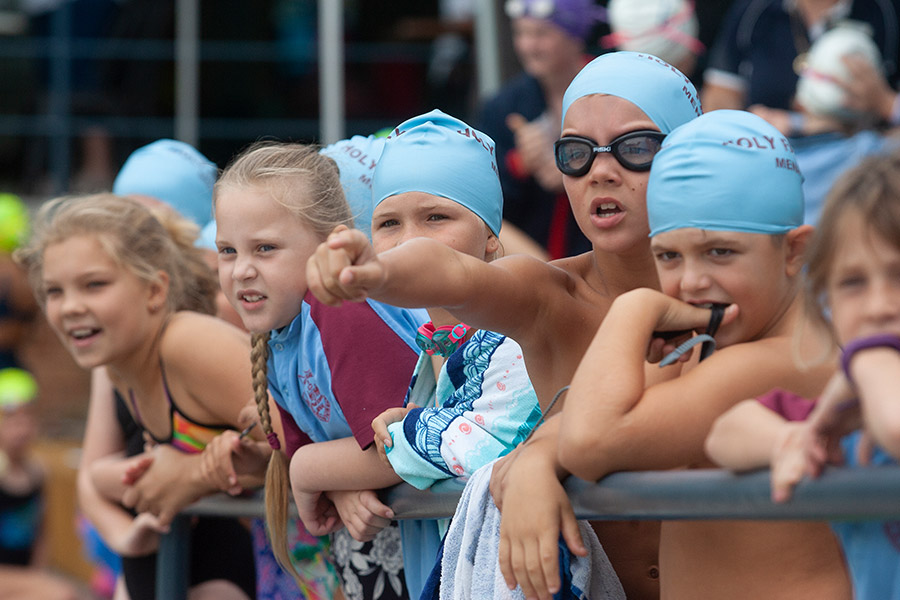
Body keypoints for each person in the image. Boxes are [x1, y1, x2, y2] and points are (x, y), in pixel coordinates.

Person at [306, 51, 702, 600]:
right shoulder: (549, 297)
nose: (601, 171)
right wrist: (375, 270)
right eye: (576, 153)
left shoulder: (741, 304)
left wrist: (541, 455)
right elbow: (454, 275)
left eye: (635, 148)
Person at [544, 109, 849, 600]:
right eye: (668, 256)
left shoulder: (784, 359)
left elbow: (587, 442)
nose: (691, 282)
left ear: (795, 251)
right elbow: (569, 428)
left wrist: (635, 307)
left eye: (720, 252)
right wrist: (537, 462)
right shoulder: (714, 350)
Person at [304, 110, 548, 598]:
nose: (411, 241)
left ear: (493, 242)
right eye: (389, 223)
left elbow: (475, 448)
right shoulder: (433, 352)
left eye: (436, 217)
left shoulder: (515, 339)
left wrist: (308, 467)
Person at [14, 194, 262, 600]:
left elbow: (296, 436)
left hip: (228, 571)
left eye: (94, 285)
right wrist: (123, 518)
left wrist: (193, 474)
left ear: (154, 290)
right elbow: (96, 476)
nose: (71, 306)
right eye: (54, 291)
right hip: (161, 564)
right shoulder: (119, 363)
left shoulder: (186, 340)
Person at [213, 142, 427, 600]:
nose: (241, 271)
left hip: (435, 550)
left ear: (331, 244)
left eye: (265, 248)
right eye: (227, 251)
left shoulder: (339, 308)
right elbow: (317, 449)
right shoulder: (275, 333)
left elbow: (408, 444)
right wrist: (340, 484)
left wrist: (313, 471)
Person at [708, 150, 900, 599]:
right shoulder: (843, 422)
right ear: (825, 297)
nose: (878, 307)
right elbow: (724, 434)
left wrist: (868, 360)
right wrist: (791, 439)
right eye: (853, 283)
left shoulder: (863, 394)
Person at [477, 0, 606, 260]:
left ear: (575, 37)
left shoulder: (613, 90)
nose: (528, 46)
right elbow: (481, 202)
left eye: (541, 34)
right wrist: (518, 165)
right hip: (535, 260)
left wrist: (577, 173)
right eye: (521, 33)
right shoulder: (505, 106)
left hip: (602, 251)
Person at [701, 0, 900, 127]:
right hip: (767, 162)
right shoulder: (753, 10)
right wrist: (742, 134)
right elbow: (720, 95)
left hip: (860, 173)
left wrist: (885, 103)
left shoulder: (888, 12)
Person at [0, 367, 88, 600]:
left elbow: (41, 534)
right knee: (62, 593)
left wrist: (37, 574)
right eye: (11, 420)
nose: (21, 427)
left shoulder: (37, 471)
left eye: (27, 417)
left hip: (24, 575)